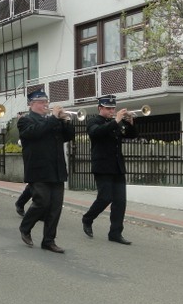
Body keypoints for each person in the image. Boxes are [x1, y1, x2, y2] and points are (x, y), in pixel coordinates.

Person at [17, 89, 75, 253]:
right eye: (41, 102)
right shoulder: (25, 120)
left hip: (56, 169)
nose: (45, 105)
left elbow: (68, 136)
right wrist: (54, 118)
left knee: (55, 207)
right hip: (38, 170)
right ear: (31, 104)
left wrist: (66, 121)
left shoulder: (51, 120)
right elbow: (36, 132)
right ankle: (25, 227)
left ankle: (49, 241)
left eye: (46, 102)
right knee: (42, 201)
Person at [82, 94, 138, 244]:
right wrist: (117, 121)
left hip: (117, 166)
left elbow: (132, 136)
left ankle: (115, 233)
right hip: (102, 166)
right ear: (100, 108)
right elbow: (97, 133)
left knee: (120, 201)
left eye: (113, 108)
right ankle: (87, 218)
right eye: (108, 108)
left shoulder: (116, 122)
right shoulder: (94, 121)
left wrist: (130, 123)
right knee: (105, 197)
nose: (111, 111)